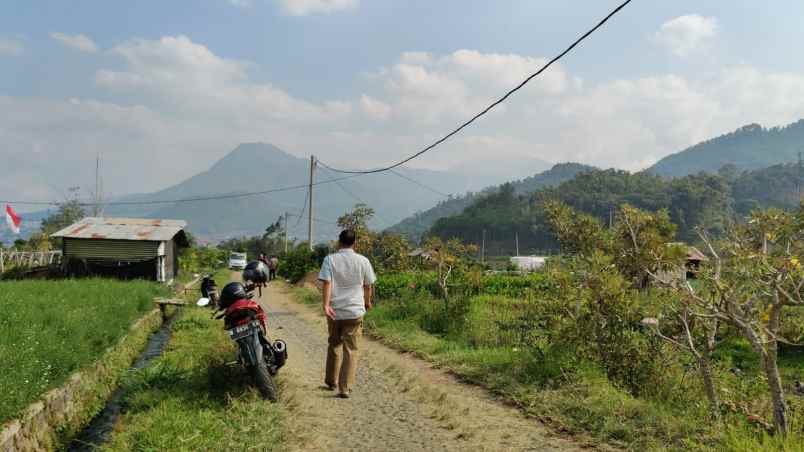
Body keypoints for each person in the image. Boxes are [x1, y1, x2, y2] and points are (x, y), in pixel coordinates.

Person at [318, 229, 376, 398]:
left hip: (335, 311)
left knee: (334, 344)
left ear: (339, 242)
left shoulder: (330, 259)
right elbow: (368, 285)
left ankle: (331, 381)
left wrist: (326, 305)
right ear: (354, 243)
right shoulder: (363, 261)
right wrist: (367, 302)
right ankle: (344, 388)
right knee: (351, 349)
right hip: (354, 311)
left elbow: (327, 283)